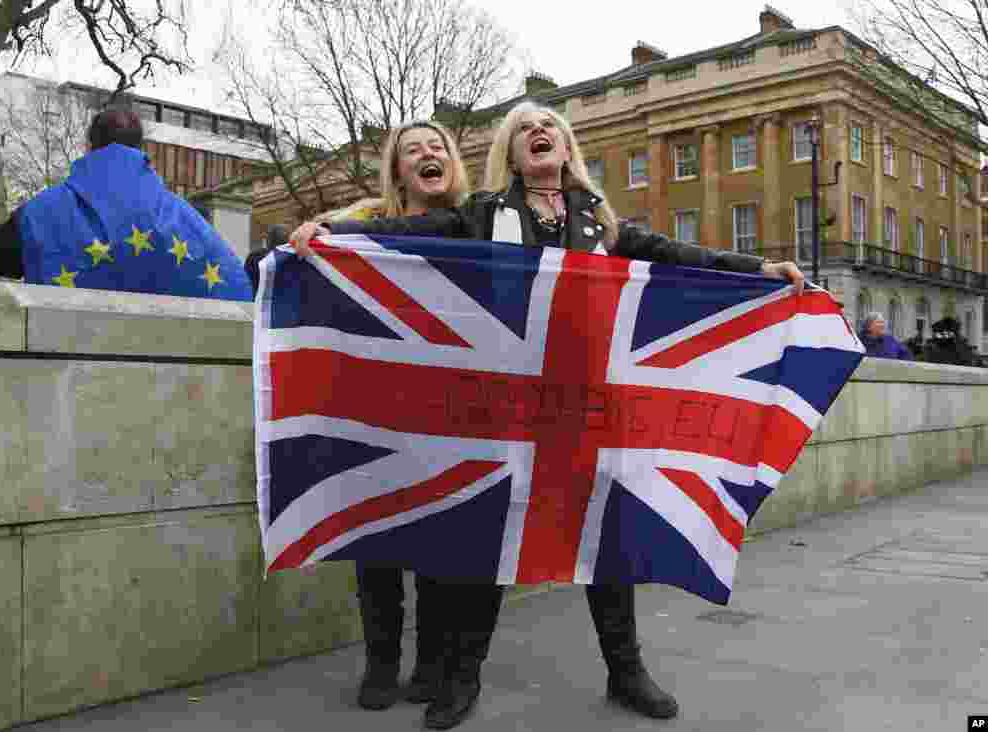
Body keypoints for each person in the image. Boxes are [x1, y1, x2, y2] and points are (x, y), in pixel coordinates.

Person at [288, 101, 804, 730]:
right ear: (510, 150)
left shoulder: (600, 220)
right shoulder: (481, 215)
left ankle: (626, 672)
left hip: (586, 403)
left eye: (551, 127)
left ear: (567, 149)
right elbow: (406, 239)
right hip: (510, 411)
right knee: (494, 534)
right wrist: (330, 237)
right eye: (527, 128)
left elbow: (670, 254)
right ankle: (462, 679)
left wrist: (755, 269)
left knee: (605, 536)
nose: (541, 132)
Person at [249, 120, 471, 713]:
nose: (428, 155)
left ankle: (429, 664)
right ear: (397, 171)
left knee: (435, 539)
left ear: (452, 162)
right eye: (413, 151)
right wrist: (309, 236)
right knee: (375, 534)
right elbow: (266, 264)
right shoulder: (360, 226)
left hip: (449, 404)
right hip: (374, 399)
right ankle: (380, 663)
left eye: (438, 147)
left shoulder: (477, 223)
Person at [0, 107, 251, 301]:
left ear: (89, 147)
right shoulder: (185, 218)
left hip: (63, 370)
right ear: (141, 151)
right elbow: (236, 286)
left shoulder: (41, 211)